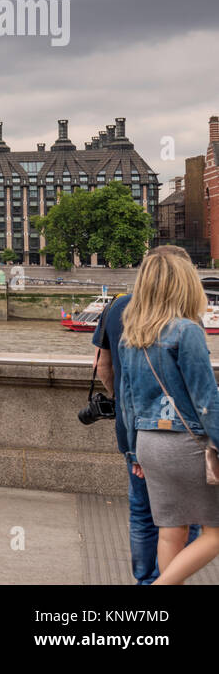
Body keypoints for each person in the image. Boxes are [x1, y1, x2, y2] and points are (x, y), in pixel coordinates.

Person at [92, 246, 201, 584]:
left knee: (142, 510)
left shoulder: (116, 307)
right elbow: (197, 389)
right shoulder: (184, 319)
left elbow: (101, 366)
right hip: (180, 433)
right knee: (191, 519)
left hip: (133, 428)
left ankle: (145, 579)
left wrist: (123, 404)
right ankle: (166, 578)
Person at [119, 247, 219, 585]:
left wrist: (133, 451)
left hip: (148, 443)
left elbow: (127, 401)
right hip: (185, 443)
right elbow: (206, 400)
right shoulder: (186, 331)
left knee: (171, 531)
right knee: (215, 532)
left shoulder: (131, 334)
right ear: (185, 286)